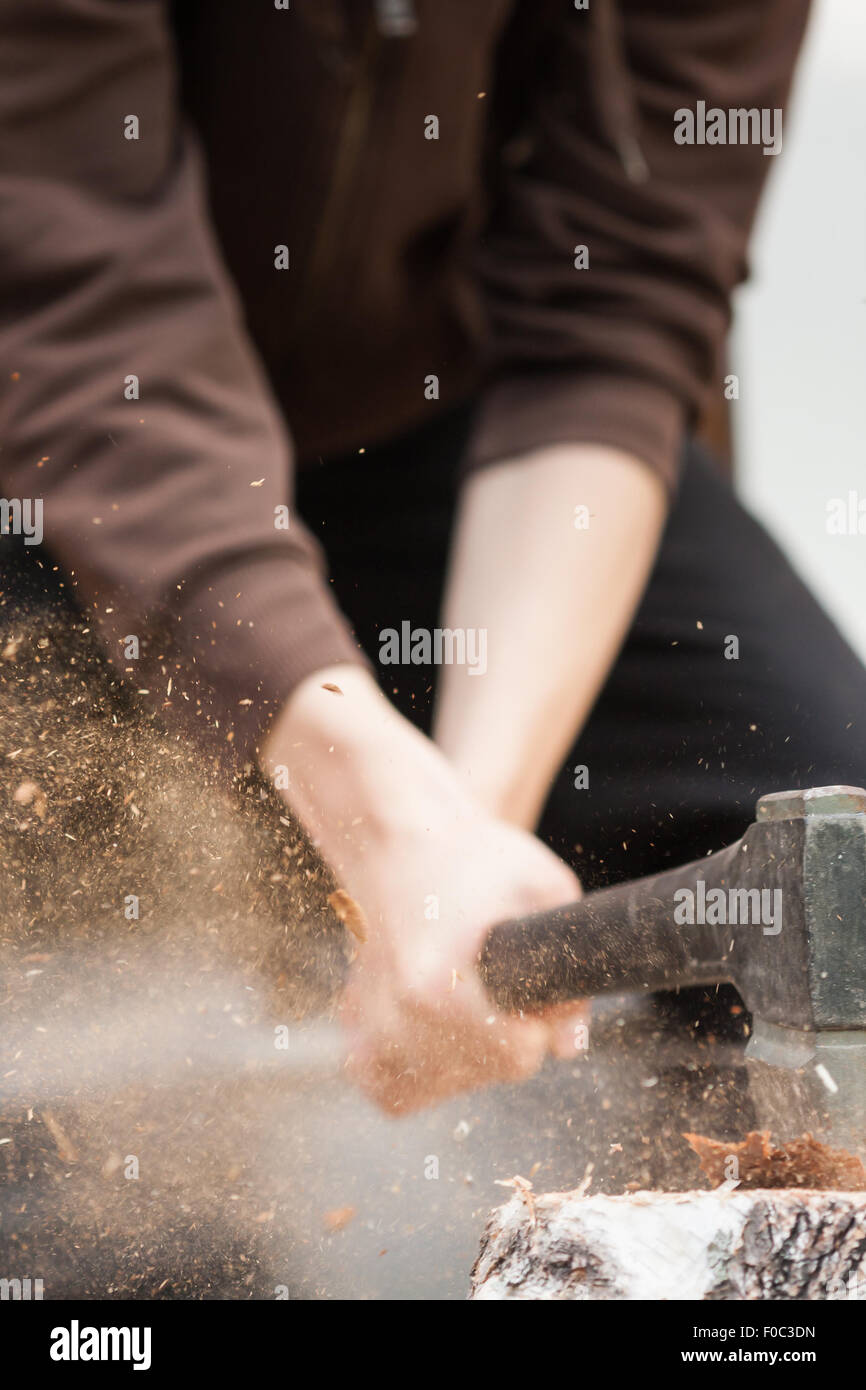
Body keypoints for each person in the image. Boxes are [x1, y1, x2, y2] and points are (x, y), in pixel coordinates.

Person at [6, 0, 863, 1117]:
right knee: (102, 1201)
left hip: (448, 419)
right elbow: (78, 305)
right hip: (51, 436)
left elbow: (612, 305)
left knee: (824, 833)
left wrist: (453, 852)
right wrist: (372, 808)